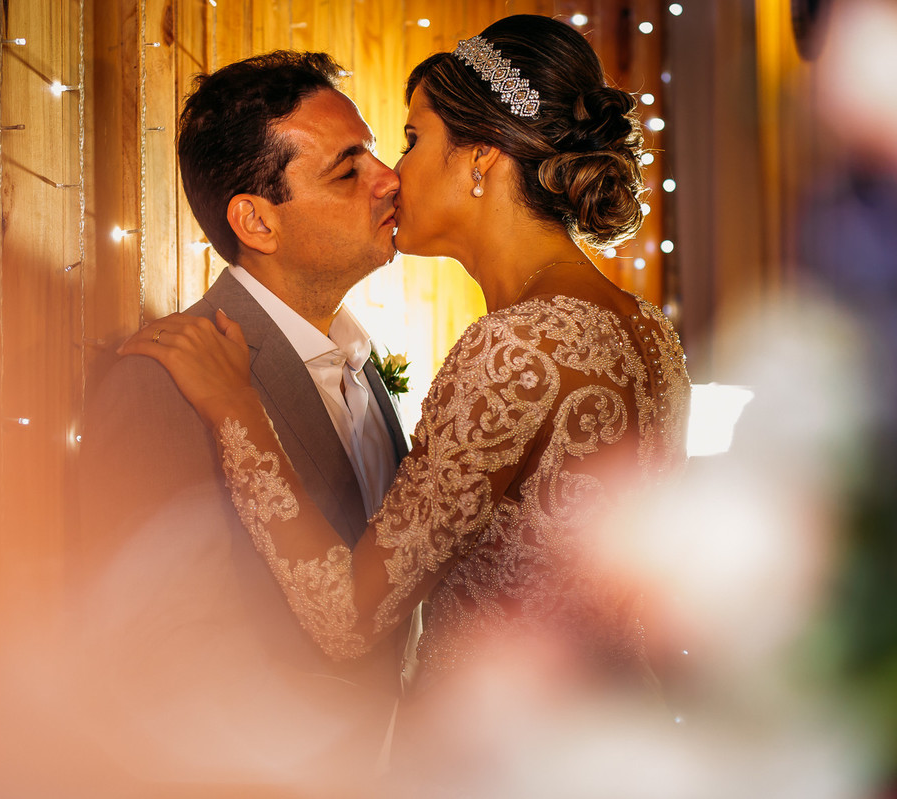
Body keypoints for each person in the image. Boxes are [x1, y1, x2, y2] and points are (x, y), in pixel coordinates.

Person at [120, 13, 691, 712]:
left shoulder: (511, 349)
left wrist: (240, 410)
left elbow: (347, 620)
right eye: (361, 161)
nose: (395, 175)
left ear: (482, 157)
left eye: (414, 140)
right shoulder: (647, 332)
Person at [77, 51, 412, 789]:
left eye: (377, 153)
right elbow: (155, 651)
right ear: (255, 219)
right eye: (348, 168)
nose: (390, 179)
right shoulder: (161, 384)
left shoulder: (361, 361)